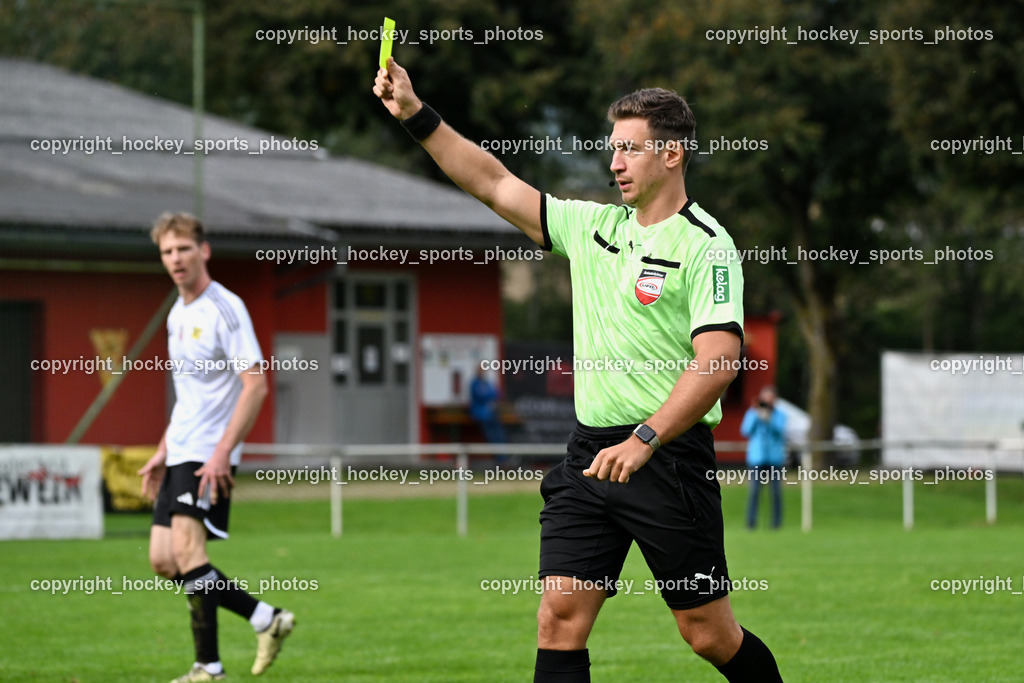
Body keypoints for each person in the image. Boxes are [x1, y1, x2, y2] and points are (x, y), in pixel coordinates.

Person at [374, 59, 782, 682]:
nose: (614, 163)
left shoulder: (706, 245)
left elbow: (719, 362)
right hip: (590, 455)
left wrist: (645, 439)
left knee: (706, 634)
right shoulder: (591, 228)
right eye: (611, 149)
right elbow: (492, 182)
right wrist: (415, 114)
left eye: (629, 150)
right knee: (559, 616)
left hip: (667, 459)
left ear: (671, 155)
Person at [138, 213, 295, 682]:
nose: (176, 259)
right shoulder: (176, 314)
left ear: (203, 251)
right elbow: (188, 396)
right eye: (167, 252)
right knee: (164, 559)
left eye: (184, 249)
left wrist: (224, 450)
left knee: (189, 555)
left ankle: (208, 667)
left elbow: (255, 385)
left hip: (209, 453)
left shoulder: (225, 308)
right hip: (181, 448)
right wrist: (163, 449)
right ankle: (267, 618)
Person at [741, 386, 787, 529]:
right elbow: (745, 430)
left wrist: (769, 420)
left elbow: (780, 431)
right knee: (754, 492)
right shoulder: (753, 413)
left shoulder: (779, 415)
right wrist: (757, 415)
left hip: (774, 458)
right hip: (757, 458)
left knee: (775, 493)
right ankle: (751, 522)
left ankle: (776, 523)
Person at [469, 366, 507, 444]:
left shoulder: (487, 382)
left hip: (491, 414)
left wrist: (490, 394)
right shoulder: (474, 383)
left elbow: (498, 393)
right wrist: (490, 394)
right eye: (480, 370)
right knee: (492, 436)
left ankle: (503, 454)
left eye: (483, 371)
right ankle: (499, 455)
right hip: (481, 415)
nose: (482, 372)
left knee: (500, 435)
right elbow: (481, 395)